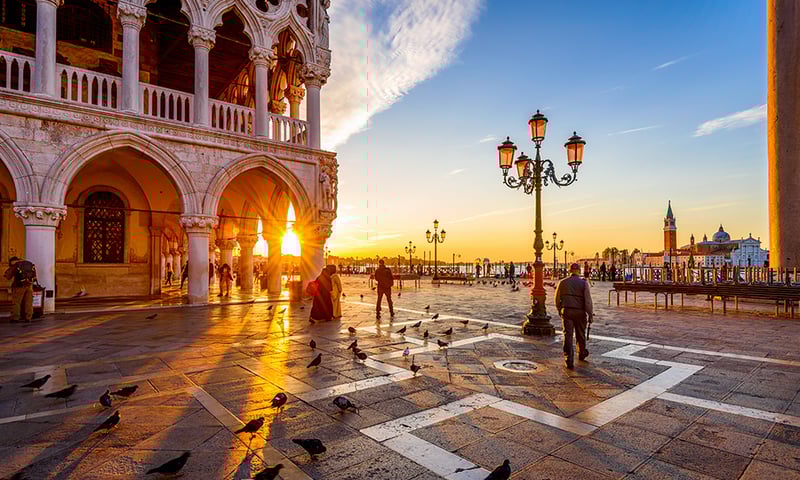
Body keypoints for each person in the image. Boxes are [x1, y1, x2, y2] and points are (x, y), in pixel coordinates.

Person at [554, 263, 593, 369]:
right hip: (580, 312)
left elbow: (557, 299)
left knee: (568, 335)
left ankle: (569, 358)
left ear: (569, 271)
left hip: (567, 311)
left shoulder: (562, 282)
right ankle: (581, 352)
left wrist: (560, 310)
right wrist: (590, 314)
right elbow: (588, 301)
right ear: (579, 271)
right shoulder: (584, 284)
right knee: (580, 334)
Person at [4, 256, 36, 323]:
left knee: (16, 302)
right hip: (29, 285)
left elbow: (8, 276)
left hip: (19, 286)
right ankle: (28, 317)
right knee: (29, 302)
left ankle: (15, 318)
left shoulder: (15, 265)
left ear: (11, 262)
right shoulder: (28, 264)